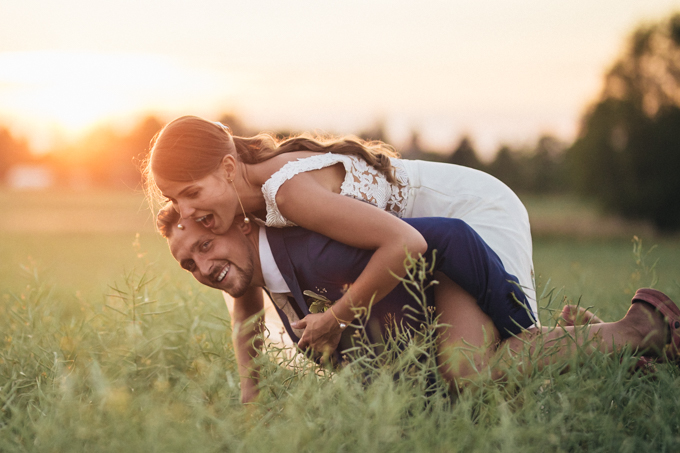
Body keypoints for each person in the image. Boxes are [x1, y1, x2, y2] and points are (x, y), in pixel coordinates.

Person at [157, 205, 680, 404]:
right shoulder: (262, 276)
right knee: (487, 399)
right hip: (420, 318)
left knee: (470, 372)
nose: (202, 268)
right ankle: (606, 349)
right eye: (188, 264)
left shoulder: (306, 246)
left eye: (206, 247)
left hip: (445, 271)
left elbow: (440, 236)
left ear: (238, 223)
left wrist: (518, 322)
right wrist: (252, 394)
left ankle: (643, 325)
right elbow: (244, 311)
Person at [144, 115, 536, 356]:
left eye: (192, 193)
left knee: (471, 365)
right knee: (467, 368)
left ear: (229, 167)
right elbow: (246, 299)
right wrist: (251, 393)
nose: (186, 211)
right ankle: (581, 339)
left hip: (461, 208)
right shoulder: (247, 207)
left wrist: (335, 318)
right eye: (175, 199)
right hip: (430, 241)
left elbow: (406, 243)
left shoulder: (286, 193)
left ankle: (591, 339)